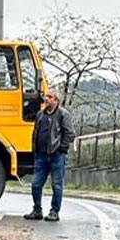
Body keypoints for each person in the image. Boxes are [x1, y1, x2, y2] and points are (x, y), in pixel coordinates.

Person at [24, 90, 75, 222]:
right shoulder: (40, 114)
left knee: (56, 185)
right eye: (46, 96)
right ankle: (37, 210)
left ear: (56, 100)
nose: (47, 99)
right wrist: (34, 149)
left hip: (56, 155)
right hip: (41, 155)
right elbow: (35, 132)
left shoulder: (63, 114)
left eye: (50, 97)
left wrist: (62, 148)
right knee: (35, 183)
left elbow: (70, 133)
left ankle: (54, 211)